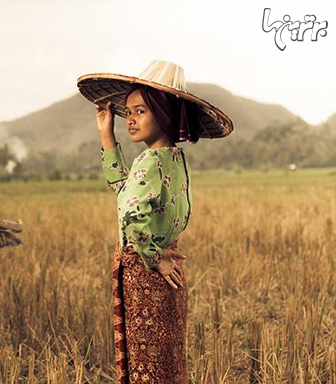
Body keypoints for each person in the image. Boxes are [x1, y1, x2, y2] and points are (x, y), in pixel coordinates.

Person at [77, 60, 233, 383]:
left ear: (163, 114)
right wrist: (107, 136)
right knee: (167, 360)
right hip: (167, 275)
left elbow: (131, 218)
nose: (130, 120)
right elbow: (127, 195)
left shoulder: (148, 162)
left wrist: (153, 257)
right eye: (128, 112)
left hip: (145, 274)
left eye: (140, 112)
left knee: (146, 363)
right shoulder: (174, 159)